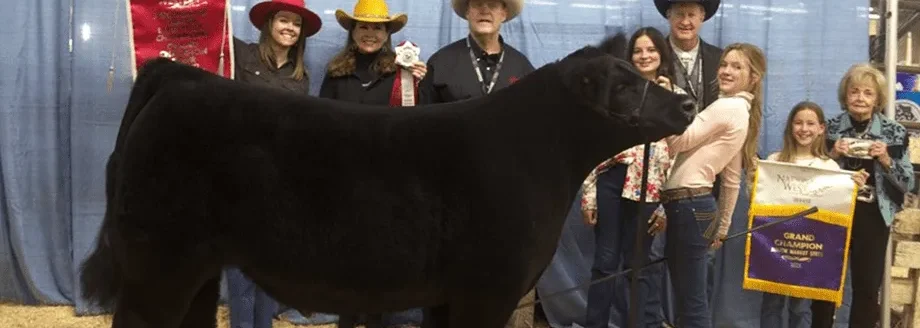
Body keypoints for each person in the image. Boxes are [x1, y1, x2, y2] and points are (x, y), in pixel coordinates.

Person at [317, 0, 427, 326]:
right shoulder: (336, 73)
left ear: (387, 33)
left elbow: (421, 130)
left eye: (377, 27)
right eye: (363, 26)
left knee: (386, 266)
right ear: (352, 31)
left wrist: (423, 87)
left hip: (390, 186)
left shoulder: (404, 72)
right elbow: (321, 126)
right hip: (346, 185)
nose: (369, 33)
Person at [225, 1, 322, 327]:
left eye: (297, 24)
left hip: (280, 185)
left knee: (269, 271)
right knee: (240, 272)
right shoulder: (241, 55)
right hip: (239, 181)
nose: (290, 28)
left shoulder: (301, 78)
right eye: (284, 20)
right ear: (269, 23)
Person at [579, 26, 683, 328]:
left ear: (661, 54)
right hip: (612, 179)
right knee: (605, 262)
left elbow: (680, 155)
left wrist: (664, 202)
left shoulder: (674, 96)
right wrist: (589, 196)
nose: (644, 55)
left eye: (651, 49)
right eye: (638, 50)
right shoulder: (614, 94)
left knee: (640, 265)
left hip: (651, 188)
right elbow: (592, 148)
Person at [658, 42, 766, 328]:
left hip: (688, 205)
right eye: (724, 65)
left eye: (737, 66)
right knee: (692, 295)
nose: (726, 71)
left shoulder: (727, 106)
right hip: (700, 206)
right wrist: (722, 226)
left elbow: (679, 141)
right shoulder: (740, 112)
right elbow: (731, 179)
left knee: (691, 299)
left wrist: (669, 99)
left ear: (753, 77)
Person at [811, 63, 916, 328]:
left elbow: (908, 183)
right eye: (854, 91)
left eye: (868, 93)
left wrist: (885, 159)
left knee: (867, 289)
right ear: (845, 96)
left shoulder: (894, 132)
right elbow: (809, 174)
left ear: (878, 99)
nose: (860, 98)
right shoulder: (829, 128)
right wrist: (832, 155)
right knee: (823, 286)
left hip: (873, 216)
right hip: (832, 214)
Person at [759, 101, 869, 328]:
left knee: (800, 308)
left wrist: (853, 187)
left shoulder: (830, 167)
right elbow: (760, 201)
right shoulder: (773, 161)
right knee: (771, 304)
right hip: (776, 247)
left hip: (807, 249)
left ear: (821, 129)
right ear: (790, 126)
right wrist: (755, 178)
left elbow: (837, 208)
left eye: (810, 123)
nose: (804, 129)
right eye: (798, 123)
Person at [418, 0, 534, 104]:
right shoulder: (439, 63)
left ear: (503, 14)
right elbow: (425, 119)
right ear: (467, 12)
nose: (484, 10)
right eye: (478, 4)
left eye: (492, 5)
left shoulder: (522, 66)